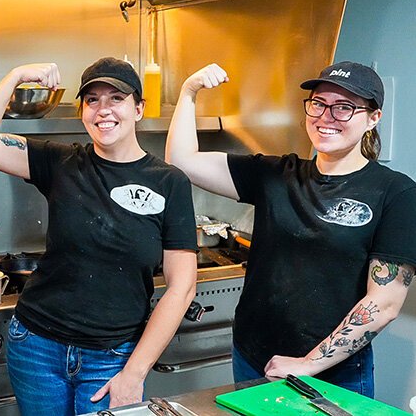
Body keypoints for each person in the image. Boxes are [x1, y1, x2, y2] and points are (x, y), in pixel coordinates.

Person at [0, 58, 197, 414]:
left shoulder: (169, 182)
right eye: (92, 100)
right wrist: (16, 76)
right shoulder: (61, 162)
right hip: (36, 345)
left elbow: (182, 286)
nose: (103, 110)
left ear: (139, 109)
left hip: (113, 356)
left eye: (116, 98)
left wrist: (134, 373)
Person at [165, 61, 416, 396]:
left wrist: (307, 365)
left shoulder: (396, 194)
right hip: (253, 356)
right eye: (319, 103)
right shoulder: (277, 175)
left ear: (373, 118)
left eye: (344, 107)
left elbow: (383, 304)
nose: (327, 116)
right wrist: (189, 91)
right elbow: (182, 160)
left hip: (332, 374)